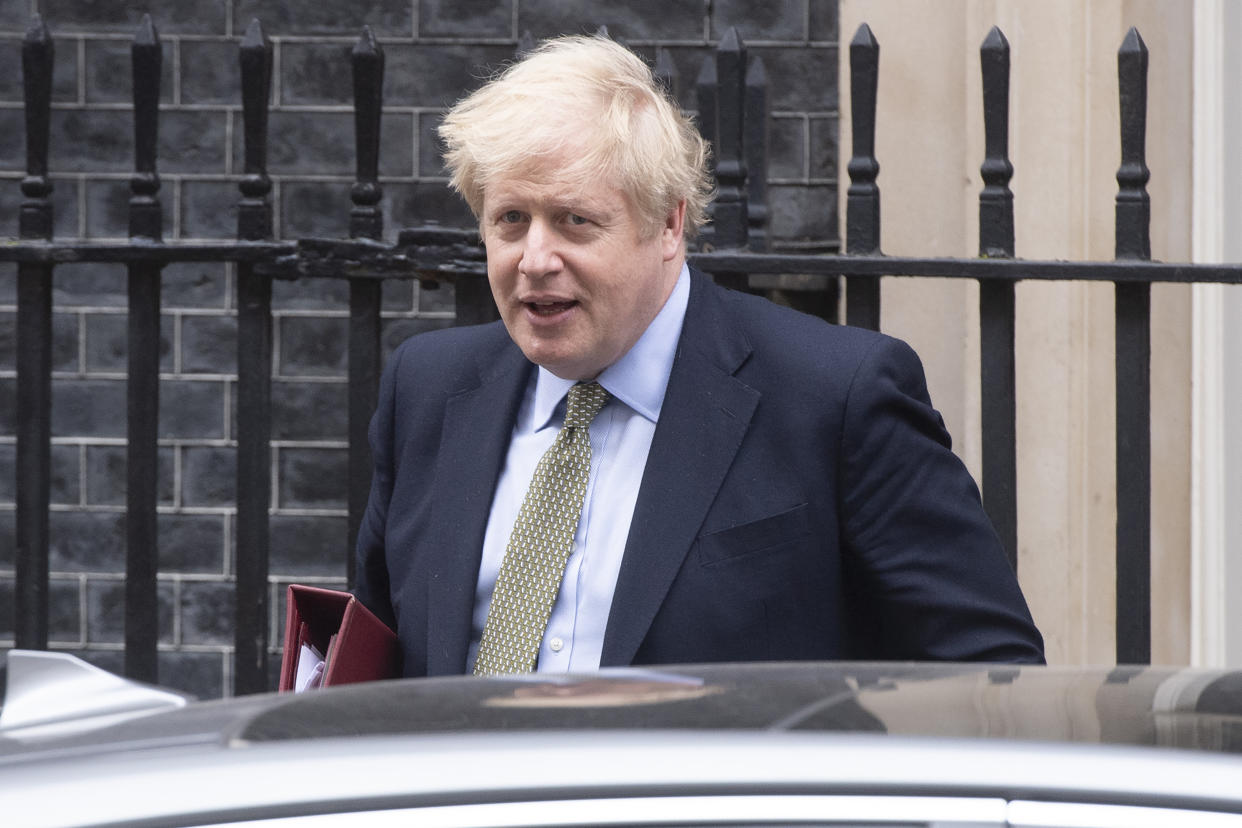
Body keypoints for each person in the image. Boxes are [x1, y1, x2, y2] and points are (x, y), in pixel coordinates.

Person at [353, 34, 1044, 677]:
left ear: (669, 223)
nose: (535, 260)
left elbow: (989, 673)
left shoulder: (835, 396)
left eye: (575, 221)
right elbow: (373, 661)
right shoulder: (428, 387)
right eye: (511, 220)